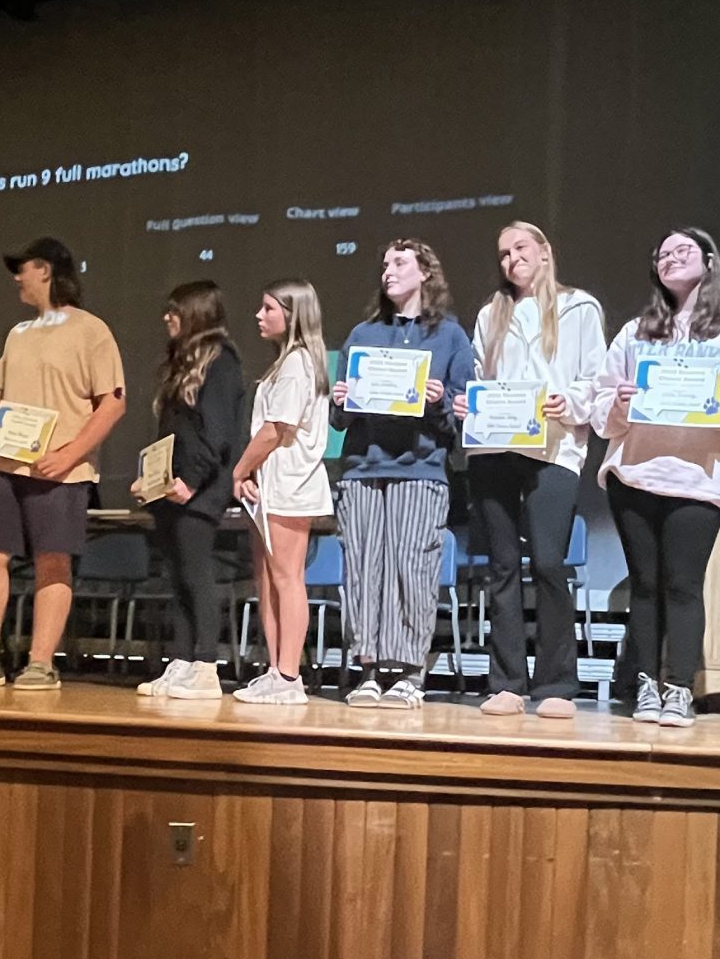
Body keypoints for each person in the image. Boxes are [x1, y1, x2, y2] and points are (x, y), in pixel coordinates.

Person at [591, 227, 720, 726]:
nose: (670, 259)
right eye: (662, 254)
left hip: (698, 477)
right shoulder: (635, 331)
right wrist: (621, 404)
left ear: (710, 261)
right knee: (646, 586)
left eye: (682, 251)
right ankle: (647, 686)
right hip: (635, 474)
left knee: (683, 585)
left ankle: (679, 688)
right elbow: (600, 407)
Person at [0, 238, 126, 690]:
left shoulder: (91, 330)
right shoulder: (17, 334)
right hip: (5, 466)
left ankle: (42, 663)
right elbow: (4, 396)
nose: (16, 279)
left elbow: (113, 403)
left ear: (44, 270)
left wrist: (70, 453)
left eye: (22, 269)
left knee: (52, 560)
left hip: (60, 471)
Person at [454, 222, 607, 718]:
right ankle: (507, 684)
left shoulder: (578, 307)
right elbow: (481, 377)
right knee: (500, 566)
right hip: (494, 448)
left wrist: (572, 401)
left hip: (555, 448)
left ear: (544, 252)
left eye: (520, 248)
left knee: (547, 563)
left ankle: (558, 684)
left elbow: (595, 377)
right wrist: (468, 407)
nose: (511, 259)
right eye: (502, 253)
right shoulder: (489, 315)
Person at [328, 240, 476, 710]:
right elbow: (339, 423)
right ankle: (367, 668)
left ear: (426, 273)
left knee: (413, 568)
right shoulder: (363, 333)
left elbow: (461, 419)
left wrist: (438, 404)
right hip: (362, 469)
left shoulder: (450, 336)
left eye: (399, 263)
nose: (388, 271)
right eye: (385, 263)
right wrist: (340, 399)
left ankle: (411, 671)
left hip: (422, 469)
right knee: (363, 568)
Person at [133, 281, 245, 701]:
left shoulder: (222, 362)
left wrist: (192, 481)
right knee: (176, 575)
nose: (167, 317)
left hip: (200, 490)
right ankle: (180, 660)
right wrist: (150, 475)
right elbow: (172, 433)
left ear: (196, 313)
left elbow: (214, 433)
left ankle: (204, 666)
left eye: (174, 310)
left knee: (197, 575)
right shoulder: (182, 362)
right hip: (171, 488)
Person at [231, 279, 332, 705]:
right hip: (272, 484)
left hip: (292, 483)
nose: (259, 315)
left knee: (288, 578)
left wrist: (240, 468)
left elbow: (276, 429)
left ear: (291, 316)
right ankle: (275, 670)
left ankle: (290, 675)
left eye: (268, 308)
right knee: (268, 579)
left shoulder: (298, 363)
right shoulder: (284, 363)